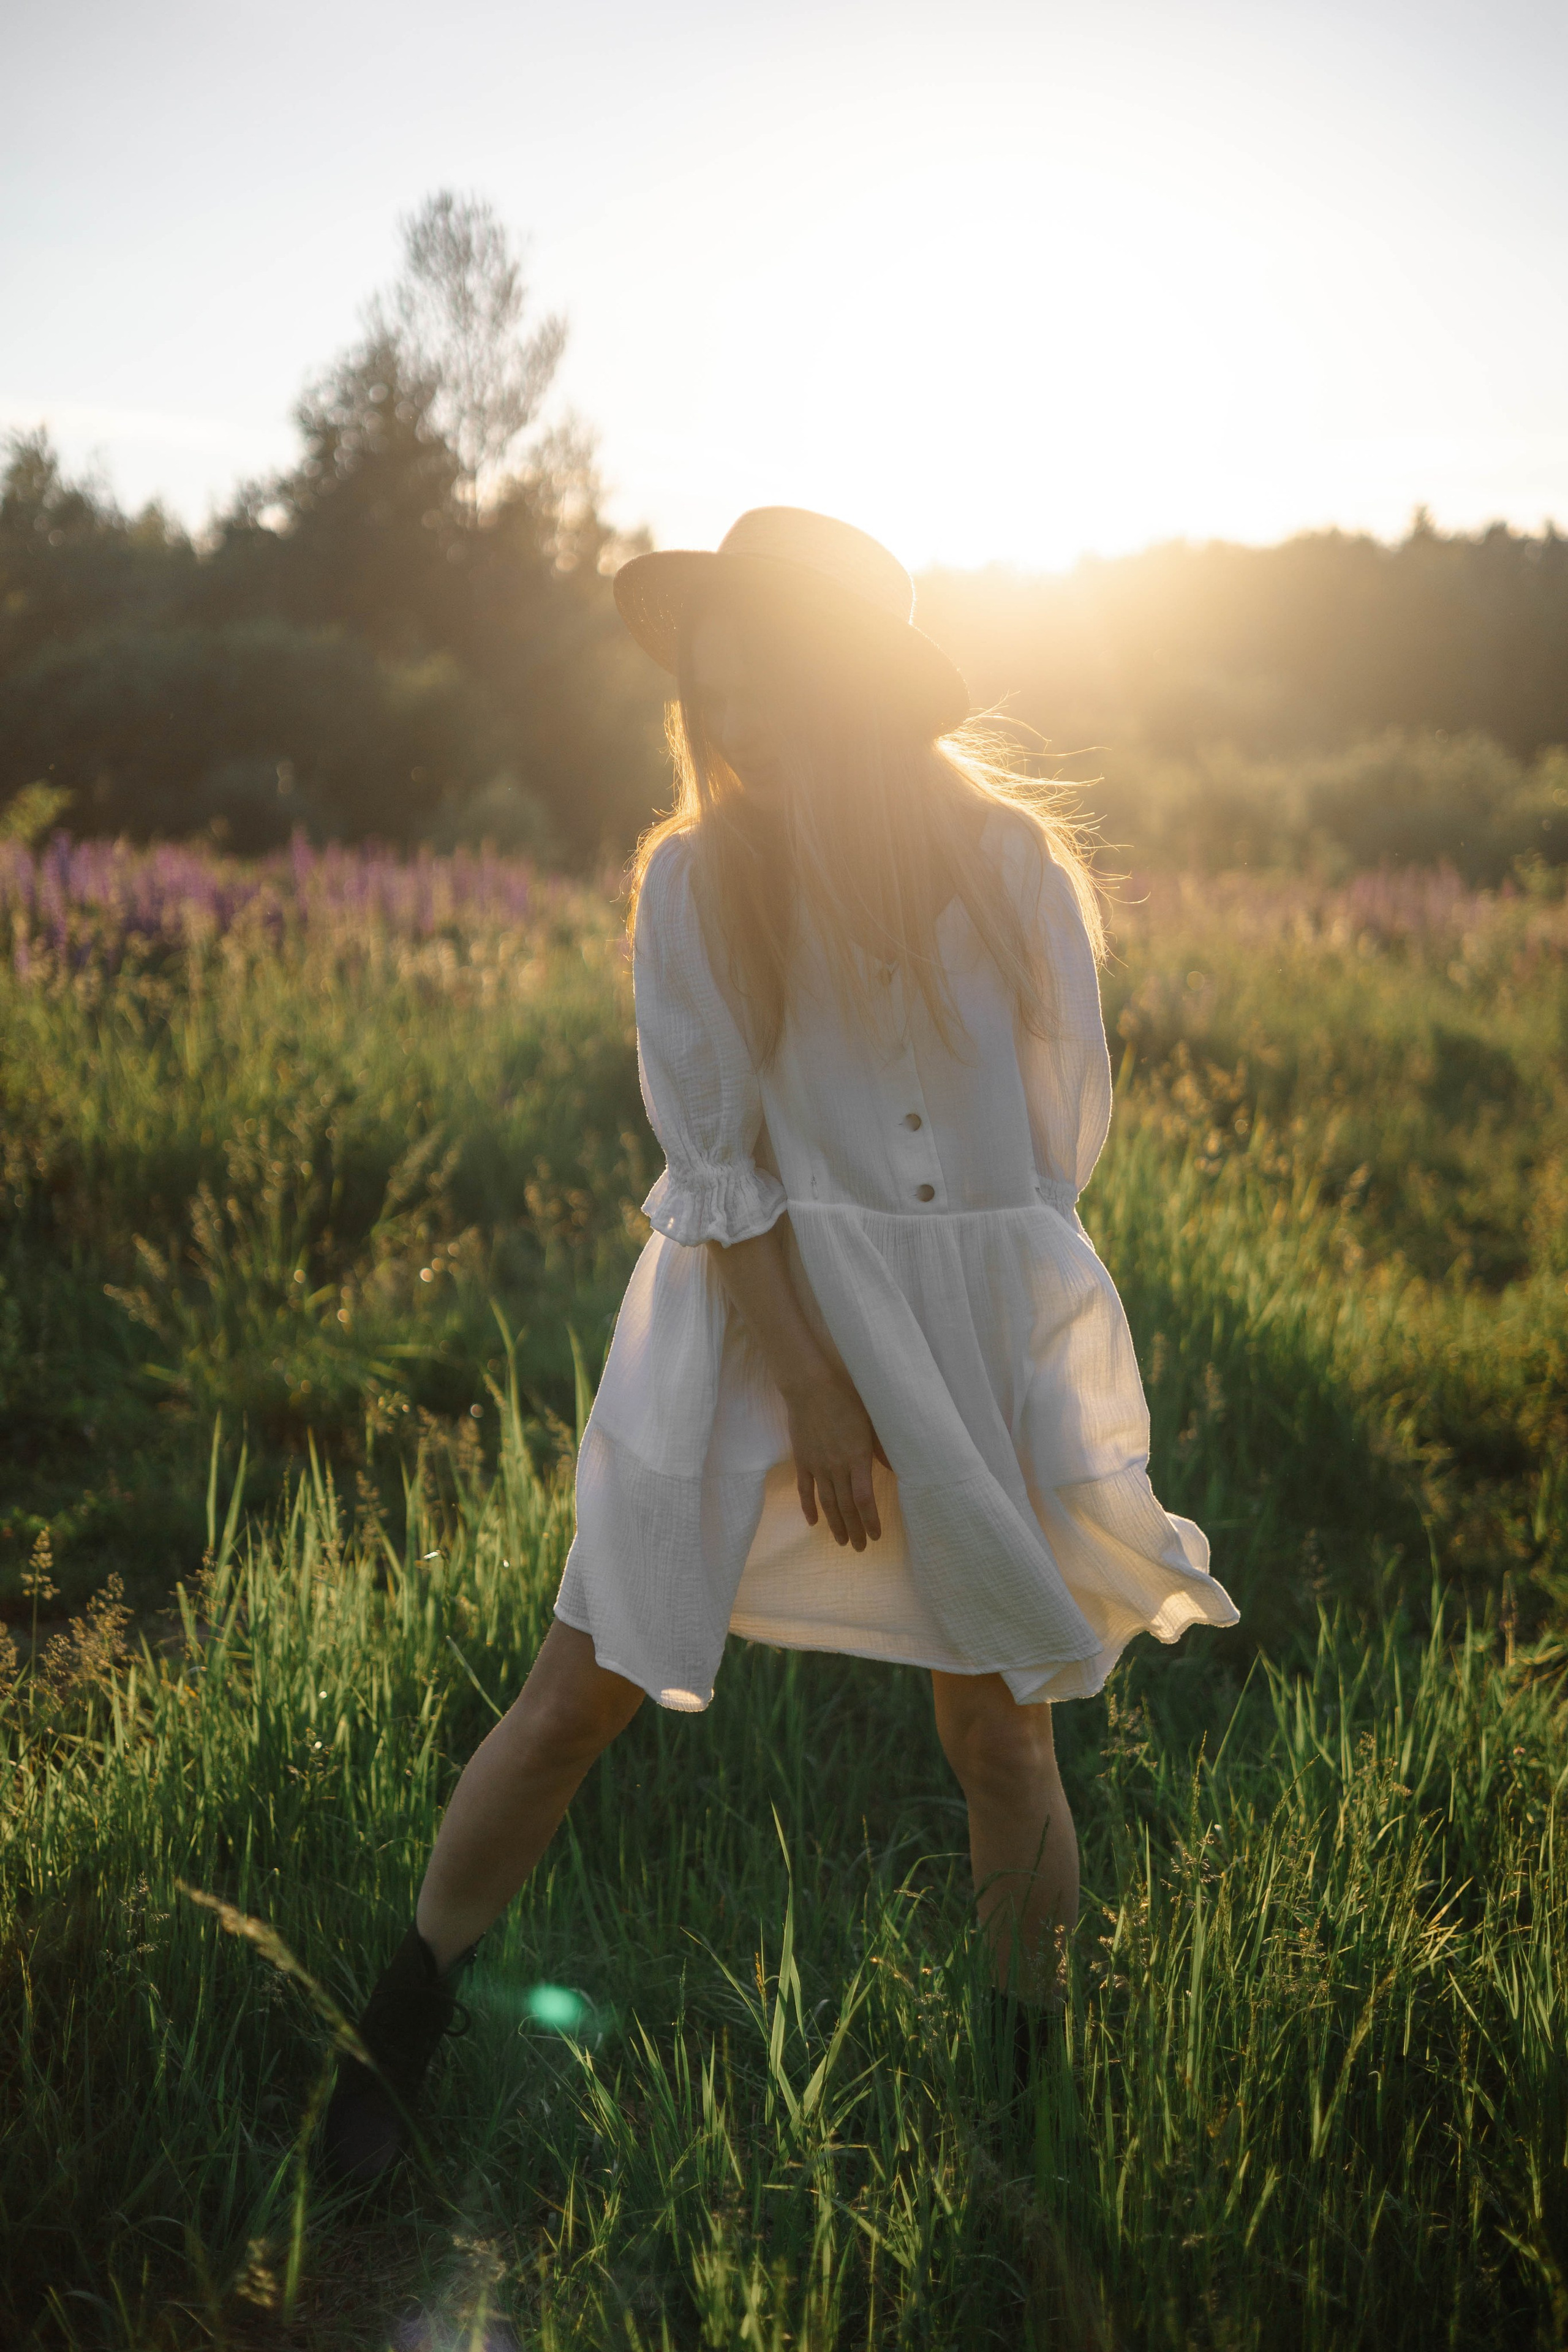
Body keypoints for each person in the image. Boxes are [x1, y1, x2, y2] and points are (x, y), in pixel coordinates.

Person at [322, 507, 1238, 2184]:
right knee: (576, 1695)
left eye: (763, 685)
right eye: (707, 692)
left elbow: (1053, 1146)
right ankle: (392, 2042)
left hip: (971, 1334)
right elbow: (719, 1161)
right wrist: (823, 1377)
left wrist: (969, 1341)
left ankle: (1026, 2115)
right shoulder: (696, 876)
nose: (731, 721)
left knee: (1004, 1732)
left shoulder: (1008, 866)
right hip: (755, 1329)